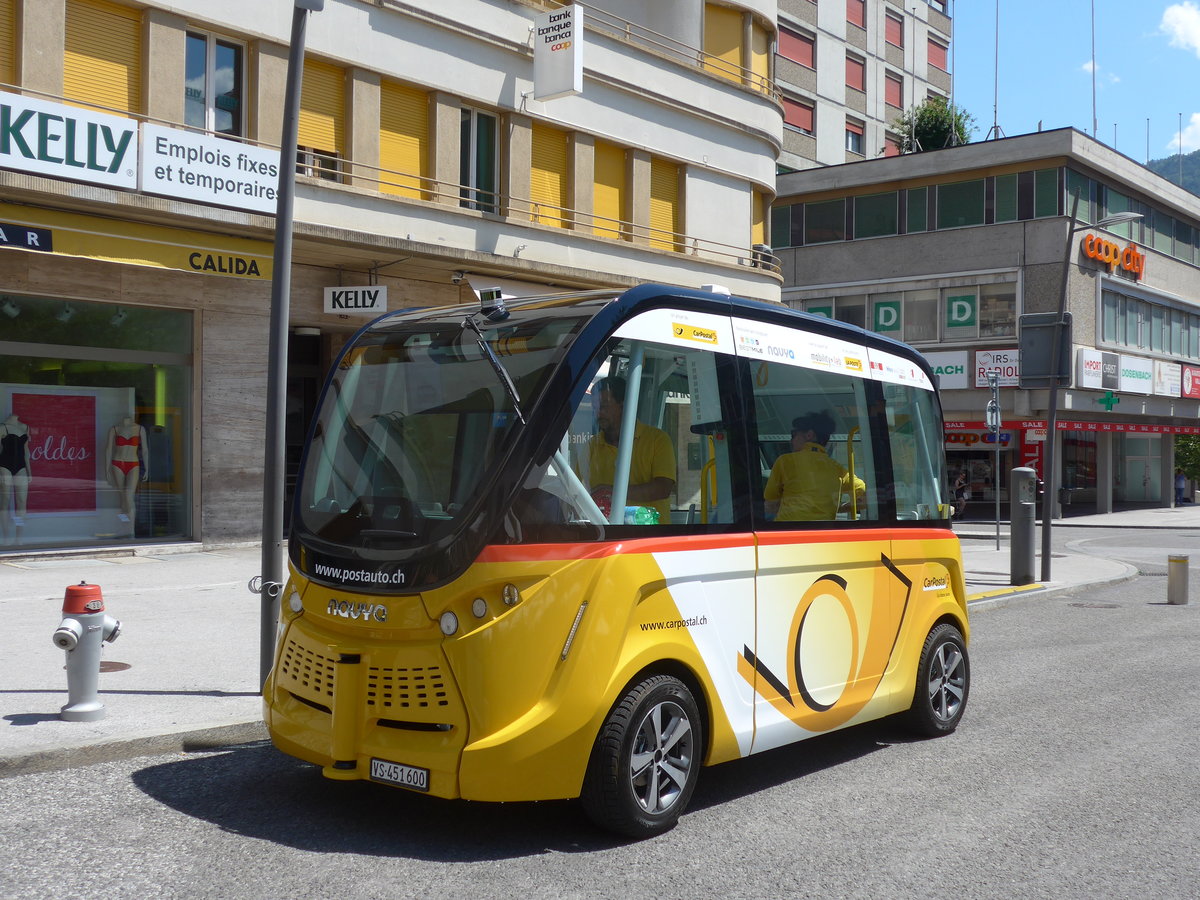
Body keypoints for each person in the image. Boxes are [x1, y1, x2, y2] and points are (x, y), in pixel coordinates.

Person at [582, 376, 675, 524]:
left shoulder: (657, 440)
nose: (598, 414)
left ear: (624, 405)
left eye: (604, 406)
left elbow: (663, 488)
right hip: (605, 535)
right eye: (595, 407)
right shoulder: (591, 446)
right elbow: (577, 490)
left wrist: (613, 492)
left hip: (650, 538)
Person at [764, 410, 866, 522]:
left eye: (793, 434)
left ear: (809, 435)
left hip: (788, 532)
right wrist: (837, 507)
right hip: (823, 534)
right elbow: (865, 497)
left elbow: (770, 505)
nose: (791, 440)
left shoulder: (785, 461)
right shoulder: (837, 469)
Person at [105, 416, 149, 529]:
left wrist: (147, 468)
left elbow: (145, 450)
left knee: (128, 496)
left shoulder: (140, 429)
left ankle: (130, 528)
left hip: (133, 464)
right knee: (122, 496)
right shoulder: (115, 429)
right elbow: (108, 450)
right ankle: (124, 526)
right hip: (117, 463)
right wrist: (107, 469)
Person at [0, 413, 31, 539]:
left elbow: (26, 451)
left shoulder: (25, 428)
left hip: (21, 467)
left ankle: (19, 537)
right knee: (5, 500)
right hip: (4, 466)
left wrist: (30, 471)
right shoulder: (2, 427)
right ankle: (6, 536)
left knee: (22, 502)